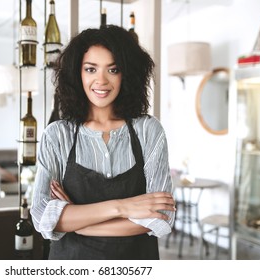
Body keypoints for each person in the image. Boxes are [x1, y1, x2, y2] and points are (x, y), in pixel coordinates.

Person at [30, 25, 175, 260]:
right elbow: (41, 216)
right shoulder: (57, 135)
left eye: (113, 69)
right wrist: (122, 207)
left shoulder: (148, 130)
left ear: (127, 74)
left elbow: (161, 216)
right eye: (90, 69)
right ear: (77, 74)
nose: (101, 80)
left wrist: (76, 222)